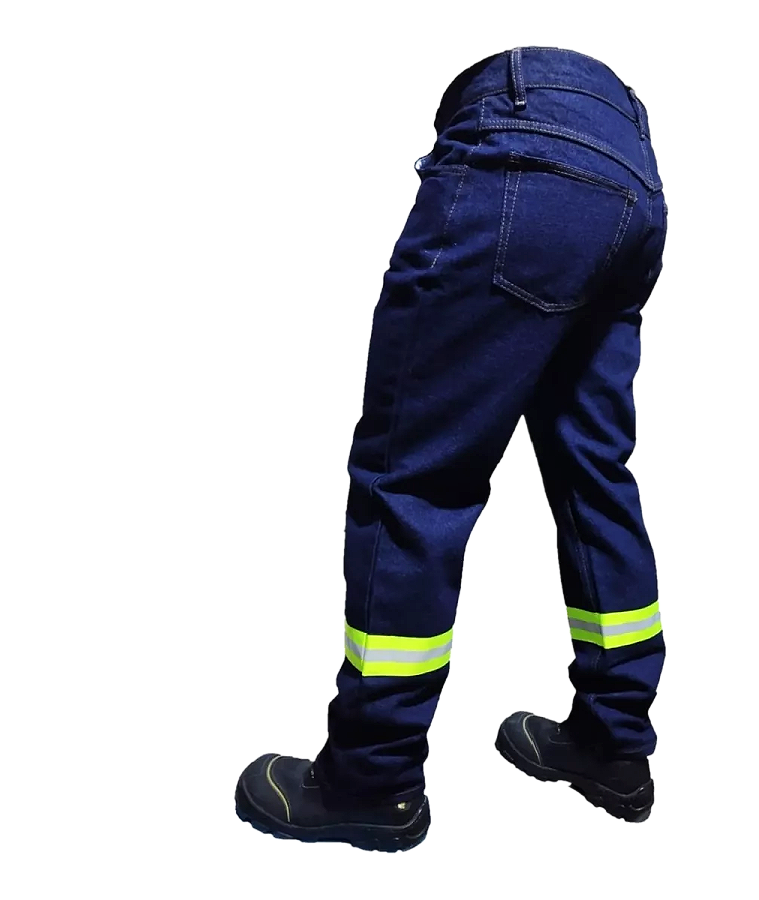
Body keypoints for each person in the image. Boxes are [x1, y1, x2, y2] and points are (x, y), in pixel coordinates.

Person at [234, 44, 668, 852]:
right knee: (595, 477)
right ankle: (614, 745)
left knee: (414, 475)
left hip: (525, 138)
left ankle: (371, 778)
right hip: (634, 170)